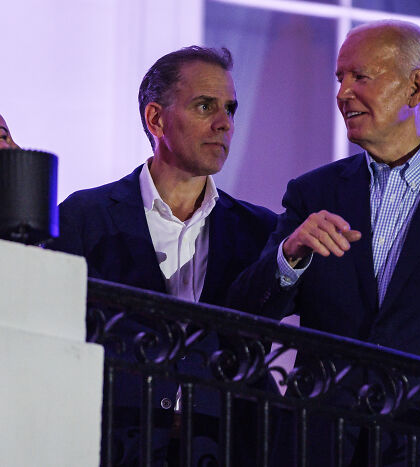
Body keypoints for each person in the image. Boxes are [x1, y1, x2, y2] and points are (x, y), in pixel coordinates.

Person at [228, 19, 420, 465]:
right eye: (340, 78)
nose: (342, 93)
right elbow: (243, 314)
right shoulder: (313, 193)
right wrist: (289, 255)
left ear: (415, 88)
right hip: (318, 445)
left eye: (360, 76)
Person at [51, 46, 277, 465]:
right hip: (110, 443)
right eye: (205, 106)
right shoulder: (84, 216)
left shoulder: (259, 229)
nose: (224, 123)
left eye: (230, 108)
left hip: (221, 446)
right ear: (156, 119)